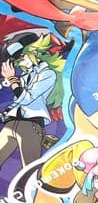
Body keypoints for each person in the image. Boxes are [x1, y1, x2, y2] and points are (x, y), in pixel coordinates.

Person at [0, 36, 57, 169]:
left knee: (30, 170)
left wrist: (12, 79)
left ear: (34, 52)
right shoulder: (25, 76)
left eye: (22, 56)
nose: (19, 61)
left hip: (30, 125)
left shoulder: (48, 74)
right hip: (11, 124)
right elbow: (17, 103)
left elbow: (26, 98)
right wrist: (4, 114)